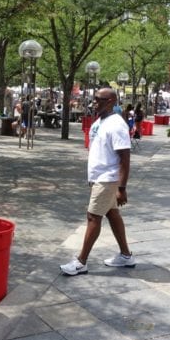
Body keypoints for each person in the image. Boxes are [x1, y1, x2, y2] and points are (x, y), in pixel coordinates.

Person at [60, 88, 134, 276]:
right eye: (93, 100)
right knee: (112, 215)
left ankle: (81, 261)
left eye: (98, 100)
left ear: (110, 101)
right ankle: (126, 255)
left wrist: (122, 188)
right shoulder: (100, 121)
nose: (94, 103)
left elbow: (125, 158)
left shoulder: (117, 124)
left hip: (107, 179)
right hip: (98, 177)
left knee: (93, 217)